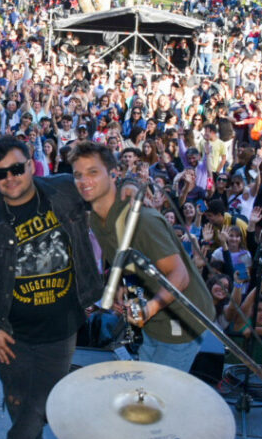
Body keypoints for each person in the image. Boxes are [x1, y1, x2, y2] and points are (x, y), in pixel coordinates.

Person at [0, 137, 103, 439]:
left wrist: (125, 189)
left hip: (61, 329)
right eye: (1, 174)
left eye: (16, 169)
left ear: (31, 165)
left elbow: (105, 190)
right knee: (19, 407)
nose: (10, 178)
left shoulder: (65, 190)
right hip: (11, 336)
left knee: (39, 407)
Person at [69, 141, 215, 370]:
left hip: (181, 321)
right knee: (144, 385)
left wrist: (149, 309)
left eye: (93, 172)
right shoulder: (98, 219)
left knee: (160, 394)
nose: (84, 181)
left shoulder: (142, 221)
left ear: (113, 174)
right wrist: (120, 289)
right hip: (153, 322)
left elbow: (180, 277)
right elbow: (124, 262)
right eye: (78, 175)